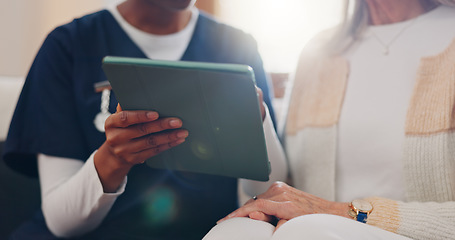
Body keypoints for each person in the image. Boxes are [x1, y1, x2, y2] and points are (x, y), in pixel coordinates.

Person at [2, 0, 287, 239]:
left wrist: (254, 123)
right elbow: (60, 222)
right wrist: (113, 159)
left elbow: (268, 193)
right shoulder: (69, 46)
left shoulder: (238, 48)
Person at [204, 0, 455, 239]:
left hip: (408, 233)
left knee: (306, 232)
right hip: (312, 229)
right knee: (233, 232)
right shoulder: (319, 51)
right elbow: (277, 186)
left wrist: (336, 211)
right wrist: (251, 126)